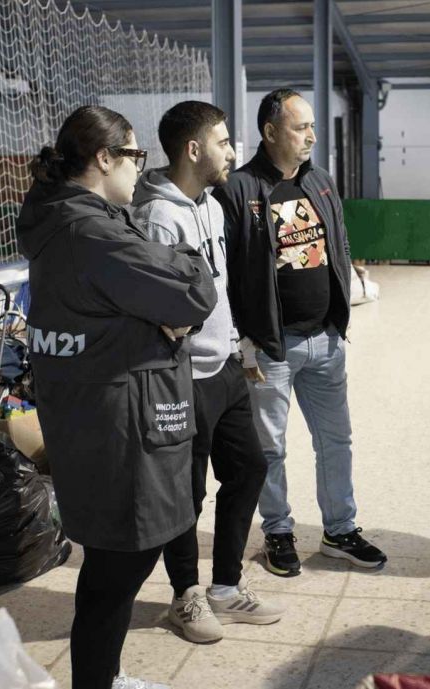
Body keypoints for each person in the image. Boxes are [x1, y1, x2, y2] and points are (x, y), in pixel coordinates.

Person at [17, 105, 216, 689]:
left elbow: (164, 299)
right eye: (134, 156)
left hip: (92, 416)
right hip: (119, 426)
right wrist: (172, 299)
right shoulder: (92, 231)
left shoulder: (68, 220)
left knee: (111, 561)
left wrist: (158, 312)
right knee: (119, 563)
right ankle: (95, 681)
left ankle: (101, 673)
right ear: (104, 159)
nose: (140, 169)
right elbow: (191, 290)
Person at [213, 88, 387, 577]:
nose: (310, 135)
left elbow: (339, 242)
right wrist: (241, 341)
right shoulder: (240, 189)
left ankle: (340, 530)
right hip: (270, 347)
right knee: (271, 447)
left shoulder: (321, 183)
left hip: (326, 341)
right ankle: (278, 532)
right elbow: (223, 271)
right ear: (270, 132)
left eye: (311, 126)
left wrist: (339, 316)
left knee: (337, 441)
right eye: (299, 127)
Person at [132, 100, 284, 643]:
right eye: (223, 141)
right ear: (194, 149)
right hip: (180, 378)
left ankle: (224, 587)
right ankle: (186, 597)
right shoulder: (157, 216)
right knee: (185, 496)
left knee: (250, 468)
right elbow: (151, 305)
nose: (232, 151)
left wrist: (241, 347)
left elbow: (217, 289)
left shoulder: (212, 207)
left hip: (223, 368)